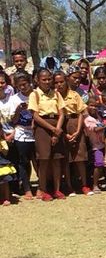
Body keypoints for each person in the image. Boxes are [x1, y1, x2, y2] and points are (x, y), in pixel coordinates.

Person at [28, 68, 66, 200]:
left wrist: (57, 130)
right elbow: (35, 116)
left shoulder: (56, 94)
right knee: (43, 160)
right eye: (43, 79)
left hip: (56, 125)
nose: (47, 82)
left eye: (49, 79)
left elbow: (62, 113)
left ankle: (57, 189)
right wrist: (52, 129)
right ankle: (43, 189)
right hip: (43, 128)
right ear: (37, 80)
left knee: (56, 160)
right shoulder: (35, 95)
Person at [53, 71, 88, 195]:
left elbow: (81, 113)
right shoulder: (53, 97)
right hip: (61, 125)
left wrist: (78, 131)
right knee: (66, 159)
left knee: (80, 157)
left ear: (66, 80)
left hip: (75, 123)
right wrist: (63, 133)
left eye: (61, 81)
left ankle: (84, 185)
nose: (59, 85)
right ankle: (69, 186)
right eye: (56, 82)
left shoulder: (74, 95)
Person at [6, 73, 35, 200]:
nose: (23, 87)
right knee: (23, 161)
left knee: (38, 160)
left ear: (30, 83)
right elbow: (13, 120)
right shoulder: (14, 99)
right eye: (19, 86)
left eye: (25, 84)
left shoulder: (36, 95)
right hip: (21, 133)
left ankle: (42, 187)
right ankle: (27, 188)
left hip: (37, 132)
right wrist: (19, 110)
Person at [83, 96, 106, 193]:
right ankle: (95, 185)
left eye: (96, 106)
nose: (94, 108)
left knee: (102, 165)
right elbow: (95, 129)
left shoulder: (98, 116)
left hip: (101, 144)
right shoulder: (87, 119)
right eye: (91, 105)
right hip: (94, 146)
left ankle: (105, 182)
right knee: (98, 164)